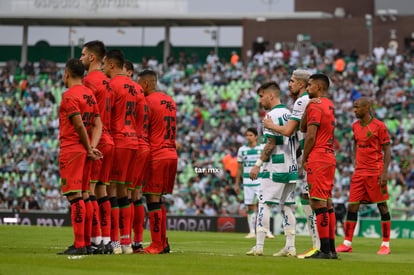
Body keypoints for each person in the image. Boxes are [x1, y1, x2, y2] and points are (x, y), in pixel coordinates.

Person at [262, 69, 320, 258]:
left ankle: (318, 246)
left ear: (301, 85)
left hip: (311, 157)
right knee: (307, 200)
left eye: (292, 81)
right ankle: (310, 245)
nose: (289, 84)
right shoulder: (308, 102)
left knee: (314, 201)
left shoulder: (301, 101)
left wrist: (270, 127)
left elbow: (287, 132)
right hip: (305, 158)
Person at [246, 82, 298, 257]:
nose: (260, 100)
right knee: (287, 207)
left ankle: (259, 246)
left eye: (261, 96)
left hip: (275, 166)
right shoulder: (290, 113)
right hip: (291, 166)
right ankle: (290, 247)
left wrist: (257, 164)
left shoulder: (271, 116)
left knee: (264, 203)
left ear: (270, 95)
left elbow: (270, 144)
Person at [57, 58, 102, 255]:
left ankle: (79, 244)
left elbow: (78, 125)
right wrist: (91, 148)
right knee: (85, 196)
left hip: (72, 149)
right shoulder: (90, 95)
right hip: (85, 151)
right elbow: (97, 125)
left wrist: (87, 147)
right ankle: (86, 243)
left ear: (66, 73)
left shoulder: (69, 96)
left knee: (75, 197)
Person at [336, 97, 391, 255]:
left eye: (357, 107)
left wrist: (385, 172)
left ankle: (385, 244)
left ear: (367, 108)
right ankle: (347, 243)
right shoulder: (355, 126)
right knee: (352, 205)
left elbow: (387, 149)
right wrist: (354, 158)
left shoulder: (379, 126)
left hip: (375, 171)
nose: (354, 110)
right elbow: (355, 142)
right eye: (354, 107)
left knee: (382, 205)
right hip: (359, 172)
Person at [102, 49, 140, 254]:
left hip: (118, 140)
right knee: (126, 191)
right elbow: (141, 119)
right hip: (134, 142)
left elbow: (106, 116)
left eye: (105, 64)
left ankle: (115, 243)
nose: (103, 68)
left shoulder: (110, 86)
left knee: (111, 190)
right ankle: (126, 243)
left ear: (112, 64)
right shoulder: (136, 89)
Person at [80, 40, 114, 254]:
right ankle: (105, 241)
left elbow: (86, 115)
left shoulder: (89, 81)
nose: (81, 58)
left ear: (92, 57)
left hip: (96, 140)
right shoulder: (107, 81)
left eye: (83, 54)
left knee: (88, 191)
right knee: (102, 192)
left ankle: (92, 241)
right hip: (109, 139)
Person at [139, 69, 177, 254]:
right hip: (171, 153)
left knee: (152, 199)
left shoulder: (146, 101)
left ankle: (156, 244)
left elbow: (144, 129)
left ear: (146, 84)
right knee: (159, 200)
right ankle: (163, 243)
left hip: (157, 155)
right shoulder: (170, 100)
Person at [300, 73, 337, 259]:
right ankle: (331, 249)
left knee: (316, 202)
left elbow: (308, 134)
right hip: (330, 156)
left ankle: (324, 250)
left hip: (319, 157)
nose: (307, 89)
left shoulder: (315, 105)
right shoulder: (329, 104)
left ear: (319, 87)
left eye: (310, 85)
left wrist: (304, 158)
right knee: (327, 203)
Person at [235, 128, 274, 239]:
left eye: (250, 135)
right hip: (247, 183)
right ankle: (252, 231)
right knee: (250, 207)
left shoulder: (262, 148)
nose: (248, 137)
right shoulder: (242, 150)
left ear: (256, 136)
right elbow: (238, 168)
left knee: (263, 205)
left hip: (260, 181)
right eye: (247, 135)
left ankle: (267, 231)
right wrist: (237, 184)